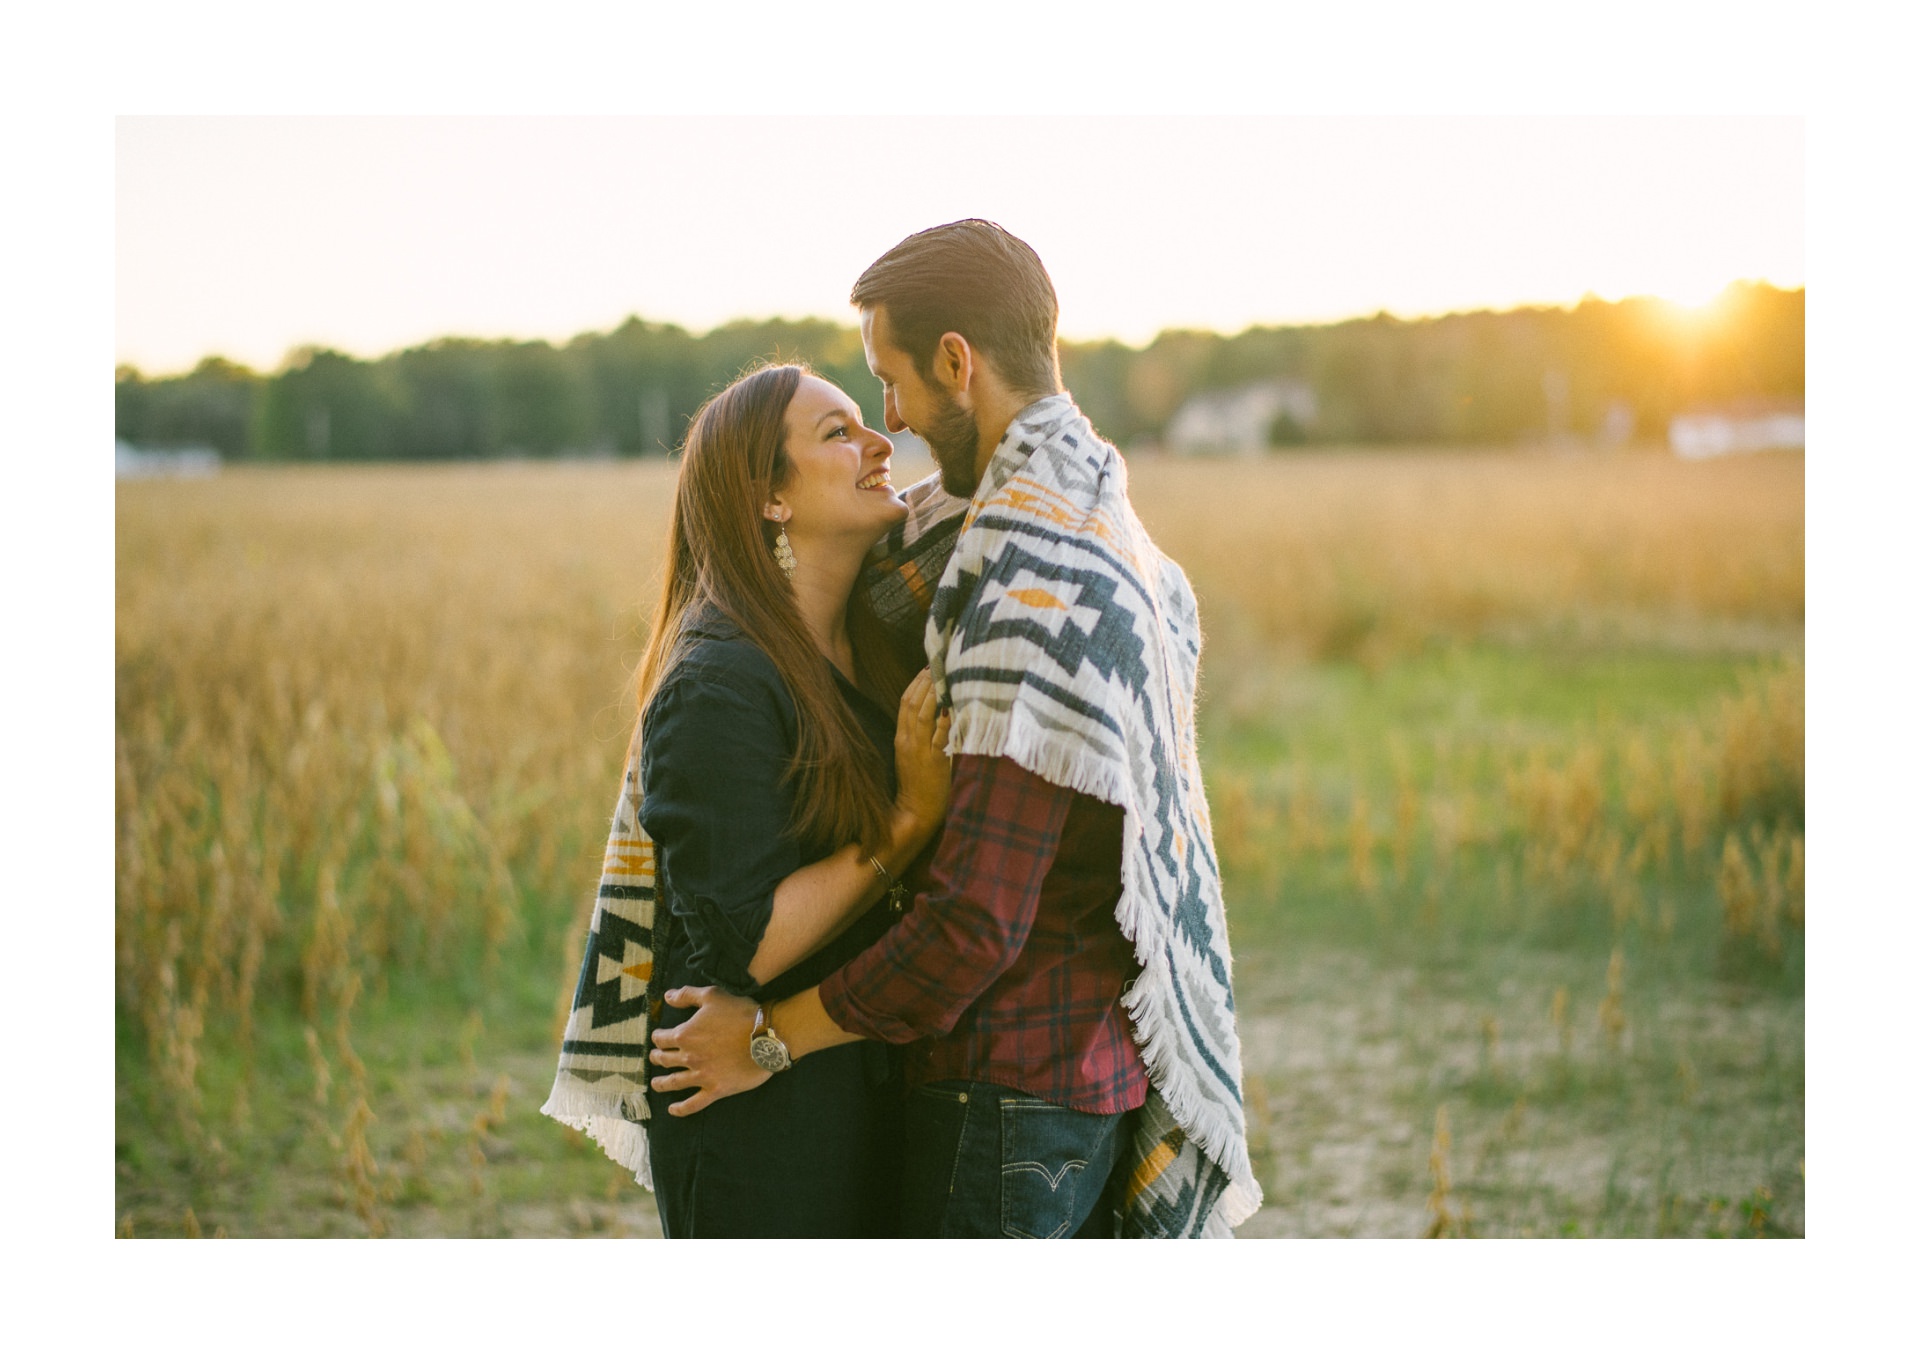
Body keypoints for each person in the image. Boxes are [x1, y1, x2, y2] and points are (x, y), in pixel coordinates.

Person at [647, 220, 1265, 1238]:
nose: (890, 427)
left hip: (1005, 1083)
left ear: (955, 362)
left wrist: (768, 1038)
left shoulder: (1025, 573)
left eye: (885, 385)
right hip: (1043, 1074)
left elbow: (972, 920)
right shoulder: (1085, 537)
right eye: (845, 425)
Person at [541, 361, 952, 1238]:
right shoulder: (719, 680)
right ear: (769, 497)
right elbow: (747, 940)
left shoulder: (873, 647)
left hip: (862, 1087)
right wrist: (906, 824)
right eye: (839, 432)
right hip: (762, 1126)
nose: (882, 442)